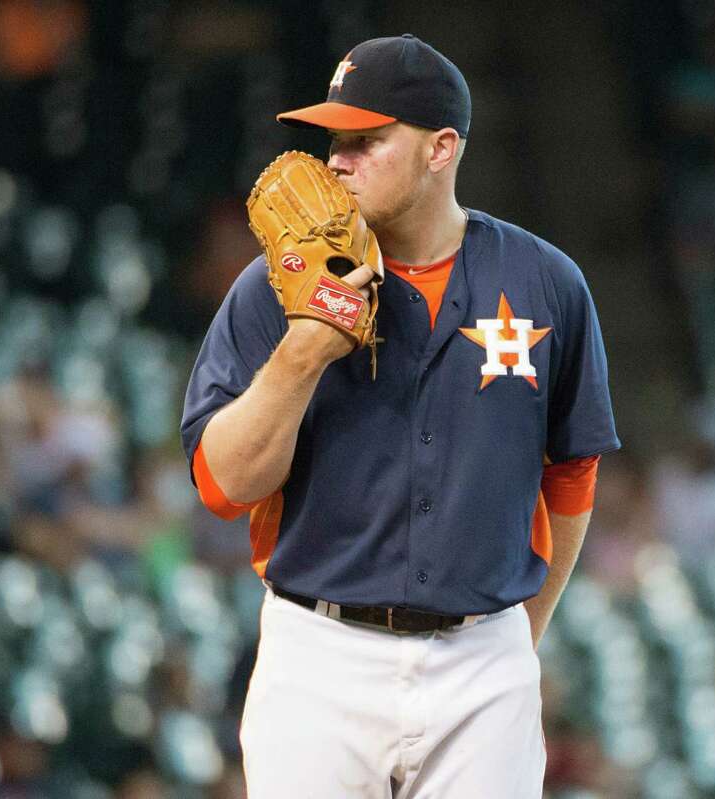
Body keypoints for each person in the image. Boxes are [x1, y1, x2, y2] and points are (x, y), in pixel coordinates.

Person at [180, 34, 619, 798]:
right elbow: (223, 487)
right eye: (333, 141)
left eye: (366, 140)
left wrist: (517, 637)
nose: (335, 162)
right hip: (319, 656)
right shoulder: (272, 287)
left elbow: (573, 473)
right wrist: (305, 350)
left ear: (440, 148)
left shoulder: (546, 281)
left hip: (484, 659)